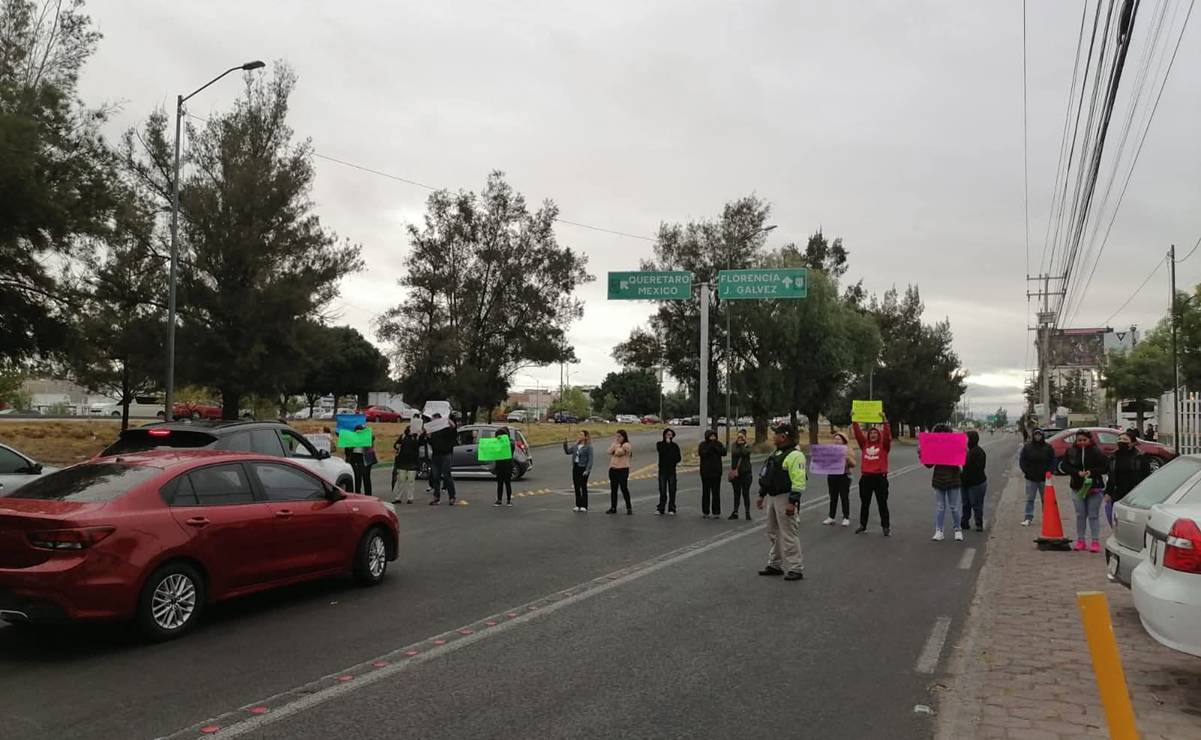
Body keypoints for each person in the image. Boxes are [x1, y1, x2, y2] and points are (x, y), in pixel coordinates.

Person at [756, 423, 807, 581]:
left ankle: (795, 568)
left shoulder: (795, 455)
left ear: (783, 437)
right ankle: (775, 564)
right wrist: (762, 494)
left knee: (788, 533)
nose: (773, 436)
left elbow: (798, 481)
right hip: (772, 497)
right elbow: (768, 475)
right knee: (773, 532)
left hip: (785, 497)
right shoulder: (776, 453)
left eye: (775, 434)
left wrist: (793, 502)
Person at [1061, 429, 1109, 552]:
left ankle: (1095, 541)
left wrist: (1091, 472)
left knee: (1093, 515)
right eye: (1079, 440)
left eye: (1084, 440)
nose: (1082, 442)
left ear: (1089, 440)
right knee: (1080, 515)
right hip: (1077, 488)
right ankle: (1080, 540)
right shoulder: (1071, 451)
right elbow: (1065, 466)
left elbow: (1105, 467)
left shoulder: (1097, 452)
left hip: (1094, 488)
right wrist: (1077, 473)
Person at [852, 416, 892, 535]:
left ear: (879, 435)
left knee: (882, 504)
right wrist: (854, 420)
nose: (873, 435)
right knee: (865, 504)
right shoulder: (864, 444)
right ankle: (863, 525)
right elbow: (858, 434)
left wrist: (885, 421)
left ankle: (886, 527)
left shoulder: (884, 446)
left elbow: (887, 437)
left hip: (880, 478)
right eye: (871, 433)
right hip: (866, 478)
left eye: (875, 433)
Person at [925, 423, 963, 542]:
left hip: (953, 480)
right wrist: (922, 452)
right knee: (940, 507)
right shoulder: (935, 447)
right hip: (939, 480)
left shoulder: (954, 446)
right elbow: (929, 464)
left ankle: (958, 530)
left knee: (954, 507)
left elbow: (961, 461)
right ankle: (939, 531)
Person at [1105, 431, 1149, 526]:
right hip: (1117, 493)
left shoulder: (1140, 457)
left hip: (1134, 494)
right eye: (1119, 439)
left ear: (1132, 443)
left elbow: (1146, 477)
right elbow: (1111, 476)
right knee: (1116, 520)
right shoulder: (1113, 457)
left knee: (1131, 520)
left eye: (1125, 439)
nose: (1121, 441)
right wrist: (1108, 492)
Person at [1018, 428, 1054, 526]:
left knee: (1045, 499)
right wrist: (1026, 471)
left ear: (1042, 436)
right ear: (1033, 436)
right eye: (1036, 435)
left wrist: (1050, 471)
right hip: (1031, 477)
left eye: (1039, 435)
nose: (1037, 437)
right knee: (1030, 498)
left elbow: (1052, 461)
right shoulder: (1027, 447)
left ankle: (1047, 518)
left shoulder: (1048, 447)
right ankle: (1028, 517)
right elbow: (1022, 460)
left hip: (1044, 478)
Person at [821, 432, 855, 526]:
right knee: (833, 497)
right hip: (832, 475)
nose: (836, 441)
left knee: (844, 497)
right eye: (835, 439)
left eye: (838, 439)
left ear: (843, 440)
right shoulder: (830, 450)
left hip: (844, 475)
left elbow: (853, 464)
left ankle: (846, 517)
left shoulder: (848, 450)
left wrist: (847, 458)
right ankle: (831, 517)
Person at [391, 416, 426, 504]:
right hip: (402, 461)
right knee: (401, 480)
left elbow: (422, 442)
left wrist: (422, 434)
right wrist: (397, 446)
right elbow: (395, 445)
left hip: (412, 462)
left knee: (411, 481)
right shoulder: (403, 436)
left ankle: (410, 498)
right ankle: (398, 497)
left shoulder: (417, 437)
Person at [426, 413, 458, 506]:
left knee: (447, 476)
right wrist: (429, 437)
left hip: (445, 455)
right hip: (435, 455)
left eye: (433, 419)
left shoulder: (446, 429)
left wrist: (448, 421)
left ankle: (452, 496)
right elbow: (431, 443)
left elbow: (454, 431)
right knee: (435, 477)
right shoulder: (433, 431)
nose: (432, 421)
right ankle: (436, 497)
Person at [960, 430, 988, 532]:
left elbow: (978, 468)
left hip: (977, 483)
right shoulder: (964, 451)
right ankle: (964, 522)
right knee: (965, 504)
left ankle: (979, 523)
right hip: (964, 483)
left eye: (967, 438)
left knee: (976, 504)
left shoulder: (978, 452)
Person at [697, 429, 727, 519]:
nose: (713, 438)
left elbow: (723, 452)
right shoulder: (703, 445)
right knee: (706, 492)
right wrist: (710, 446)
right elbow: (703, 453)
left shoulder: (718, 444)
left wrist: (715, 446)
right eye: (711, 436)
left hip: (716, 472)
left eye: (714, 436)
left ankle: (716, 511)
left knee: (716, 492)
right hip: (705, 472)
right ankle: (705, 511)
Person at [563, 431, 594, 512]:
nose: (579, 436)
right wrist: (565, 444)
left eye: (581, 435)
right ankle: (578, 504)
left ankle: (584, 505)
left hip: (583, 467)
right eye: (579, 434)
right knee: (576, 486)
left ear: (586, 437)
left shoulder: (588, 447)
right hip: (576, 466)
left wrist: (587, 470)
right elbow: (567, 452)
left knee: (583, 486)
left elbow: (590, 460)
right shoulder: (576, 446)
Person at [728, 429, 754, 520]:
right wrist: (739, 443)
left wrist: (743, 444)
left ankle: (747, 512)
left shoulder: (748, 446)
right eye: (738, 437)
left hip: (746, 473)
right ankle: (735, 511)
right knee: (736, 494)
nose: (740, 438)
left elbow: (745, 453)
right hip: (736, 474)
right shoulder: (734, 445)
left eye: (742, 437)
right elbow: (735, 453)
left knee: (746, 493)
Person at [606, 429, 633, 515]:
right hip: (613, 469)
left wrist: (616, 447)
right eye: (616, 436)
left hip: (623, 469)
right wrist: (615, 445)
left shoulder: (627, 445)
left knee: (623, 488)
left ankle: (629, 507)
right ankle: (613, 507)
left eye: (619, 436)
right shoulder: (616, 444)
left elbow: (619, 453)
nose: (617, 438)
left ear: (624, 437)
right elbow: (609, 451)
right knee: (614, 489)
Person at [656, 428, 682, 515]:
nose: (669, 436)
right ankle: (661, 508)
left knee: (672, 489)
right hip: (662, 470)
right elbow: (662, 452)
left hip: (671, 470)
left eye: (670, 435)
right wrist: (667, 444)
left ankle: (672, 508)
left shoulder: (675, 446)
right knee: (662, 490)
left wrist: (670, 446)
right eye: (667, 434)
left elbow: (678, 458)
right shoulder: (660, 444)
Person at [346, 424, 374, 496]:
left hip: (365, 459)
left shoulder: (367, 438)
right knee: (357, 477)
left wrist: (365, 432)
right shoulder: (351, 439)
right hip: (355, 459)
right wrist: (353, 444)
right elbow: (347, 452)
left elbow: (372, 437)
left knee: (366, 477)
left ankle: (368, 495)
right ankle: (357, 494)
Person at [492, 426, 516, 507]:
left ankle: (509, 500)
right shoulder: (498, 442)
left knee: (507, 483)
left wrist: (502, 440)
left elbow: (511, 446)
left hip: (508, 465)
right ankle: (499, 500)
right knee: (500, 483)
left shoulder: (511, 442)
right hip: (499, 465)